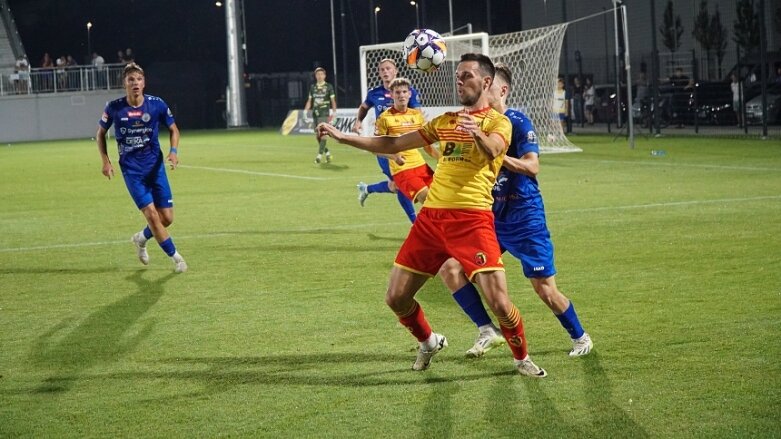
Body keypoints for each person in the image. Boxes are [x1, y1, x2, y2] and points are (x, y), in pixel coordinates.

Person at [318, 53, 547, 378]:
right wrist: (345, 138)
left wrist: (476, 134)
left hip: (473, 220)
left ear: (485, 82)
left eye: (467, 75)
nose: (460, 80)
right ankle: (428, 341)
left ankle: (521, 357)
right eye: (458, 76)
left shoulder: (500, 123)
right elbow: (394, 141)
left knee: (499, 303)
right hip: (431, 221)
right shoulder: (447, 121)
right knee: (396, 297)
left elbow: (493, 150)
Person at [438, 62, 592, 359]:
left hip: (524, 217)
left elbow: (533, 166)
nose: (482, 90)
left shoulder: (518, 122)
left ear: (502, 90)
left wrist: (497, 155)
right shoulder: (479, 123)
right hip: (491, 218)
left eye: (489, 86)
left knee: (545, 290)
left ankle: (580, 336)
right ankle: (487, 329)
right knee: (451, 268)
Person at [95, 62, 187, 273]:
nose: (135, 83)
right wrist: (105, 161)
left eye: (138, 79)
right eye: (130, 80)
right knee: (152, 215)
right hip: (132, 171)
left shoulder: (157, 105)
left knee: (167, 218)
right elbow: (100, 134)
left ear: (144, 83)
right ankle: (176, 258)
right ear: (124, 84)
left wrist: (174, 152)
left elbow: (174, 129)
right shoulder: (114, 108)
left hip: (155, 168)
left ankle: (141, 238)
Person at [352, 58, 420, 223]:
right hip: (384, 148)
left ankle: (366, 189)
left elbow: (417, 113)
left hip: (405, 145)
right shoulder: (374, 93)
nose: (385, 71)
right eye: (382, 69)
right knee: (401, 186)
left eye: (388, 68)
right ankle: (416, 224)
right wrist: (359, 121)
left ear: (395, 71)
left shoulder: (406, 91)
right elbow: (364, 107)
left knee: (395, 186)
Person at [373, 77, 436, 204]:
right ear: (391, 95)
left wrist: (440, 157)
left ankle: (426, 224)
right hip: (402, 169)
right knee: (427, 198)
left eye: (404, 92)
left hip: (421, 165)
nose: (401, 95)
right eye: (397, 92)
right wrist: (394, 157)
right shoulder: (384, 118)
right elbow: (375, 148)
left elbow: (426, 144)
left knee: (441, 198)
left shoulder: (416, 115)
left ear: (409, 94)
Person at [303, 67, 337, 164]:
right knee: (318, 136)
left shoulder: (329, 86)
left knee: (323, 135)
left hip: (324, 114)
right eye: (318, 74)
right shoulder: (313, 87)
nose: (319, 76)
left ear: (325, 76)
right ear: (315, 76)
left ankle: (319, 156)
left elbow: (333, 101)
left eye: (321, 74)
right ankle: (327, 153)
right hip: (315, 113)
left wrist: (334, 113)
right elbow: (310, 101)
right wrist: (305, 111)